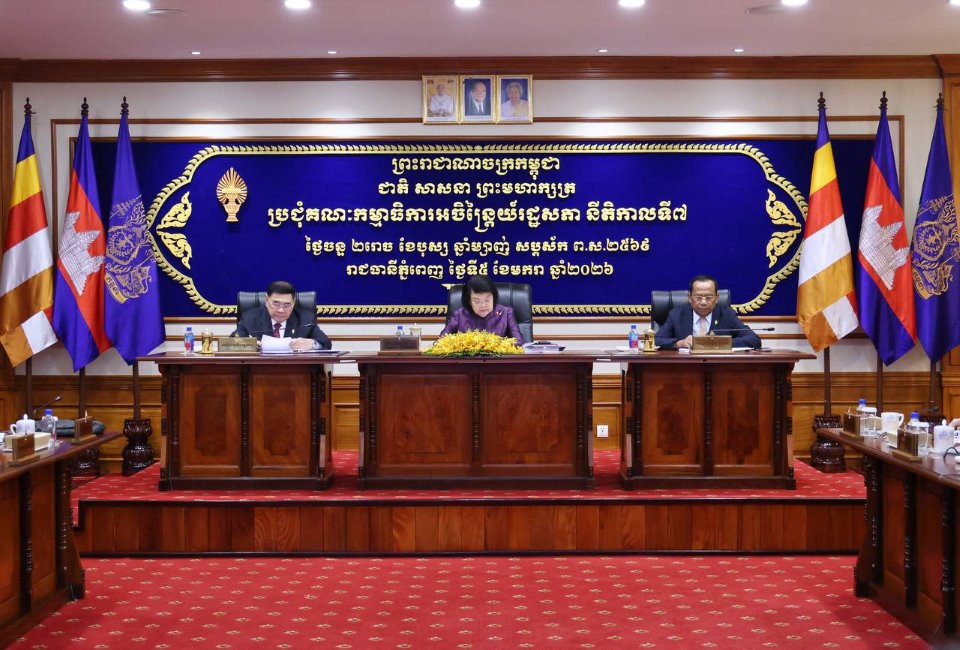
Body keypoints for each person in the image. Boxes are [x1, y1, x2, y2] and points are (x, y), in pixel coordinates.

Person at [654, 274, 761, 350]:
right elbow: (656, 340)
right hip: (686, 367)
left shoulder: (727, 315)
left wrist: (719, 343)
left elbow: (754, 339)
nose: (703, 302)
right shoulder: (676, 315)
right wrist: (679, 343)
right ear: (690, 298)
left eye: (709, 297)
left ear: (717, 298)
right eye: (698, 297)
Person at [235, 280, 331, 351]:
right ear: (267, 300)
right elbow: (230, 344)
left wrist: (312, 344)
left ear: (293, 303)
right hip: (259, 370)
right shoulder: (250, 318)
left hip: (295, 370)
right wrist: (248, 345)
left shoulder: (306, 319)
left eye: (287, 305)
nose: (281, 310)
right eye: (276, 304)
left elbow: (326, 343)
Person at [441, 275, 523, 345]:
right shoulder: (459, 315)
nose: (483, 305)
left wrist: (491, 345)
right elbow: (442, 340)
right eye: (477, 301)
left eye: (487, 300)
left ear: (493, 297)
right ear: (469, 301)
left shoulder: (506, 313)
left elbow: (518, 341)